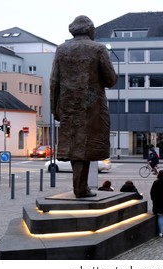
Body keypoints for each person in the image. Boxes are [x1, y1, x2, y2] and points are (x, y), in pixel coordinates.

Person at [50, 15, 117, 198]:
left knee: (75, 146)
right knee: (86, 146)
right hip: (92, 106)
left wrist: (54, 108)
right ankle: (80, 189)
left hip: (68, 107)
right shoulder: (98, 49)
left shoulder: (61, 50)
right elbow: (111, 80)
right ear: (90, 30)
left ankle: (80, 188)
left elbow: (54, 81)